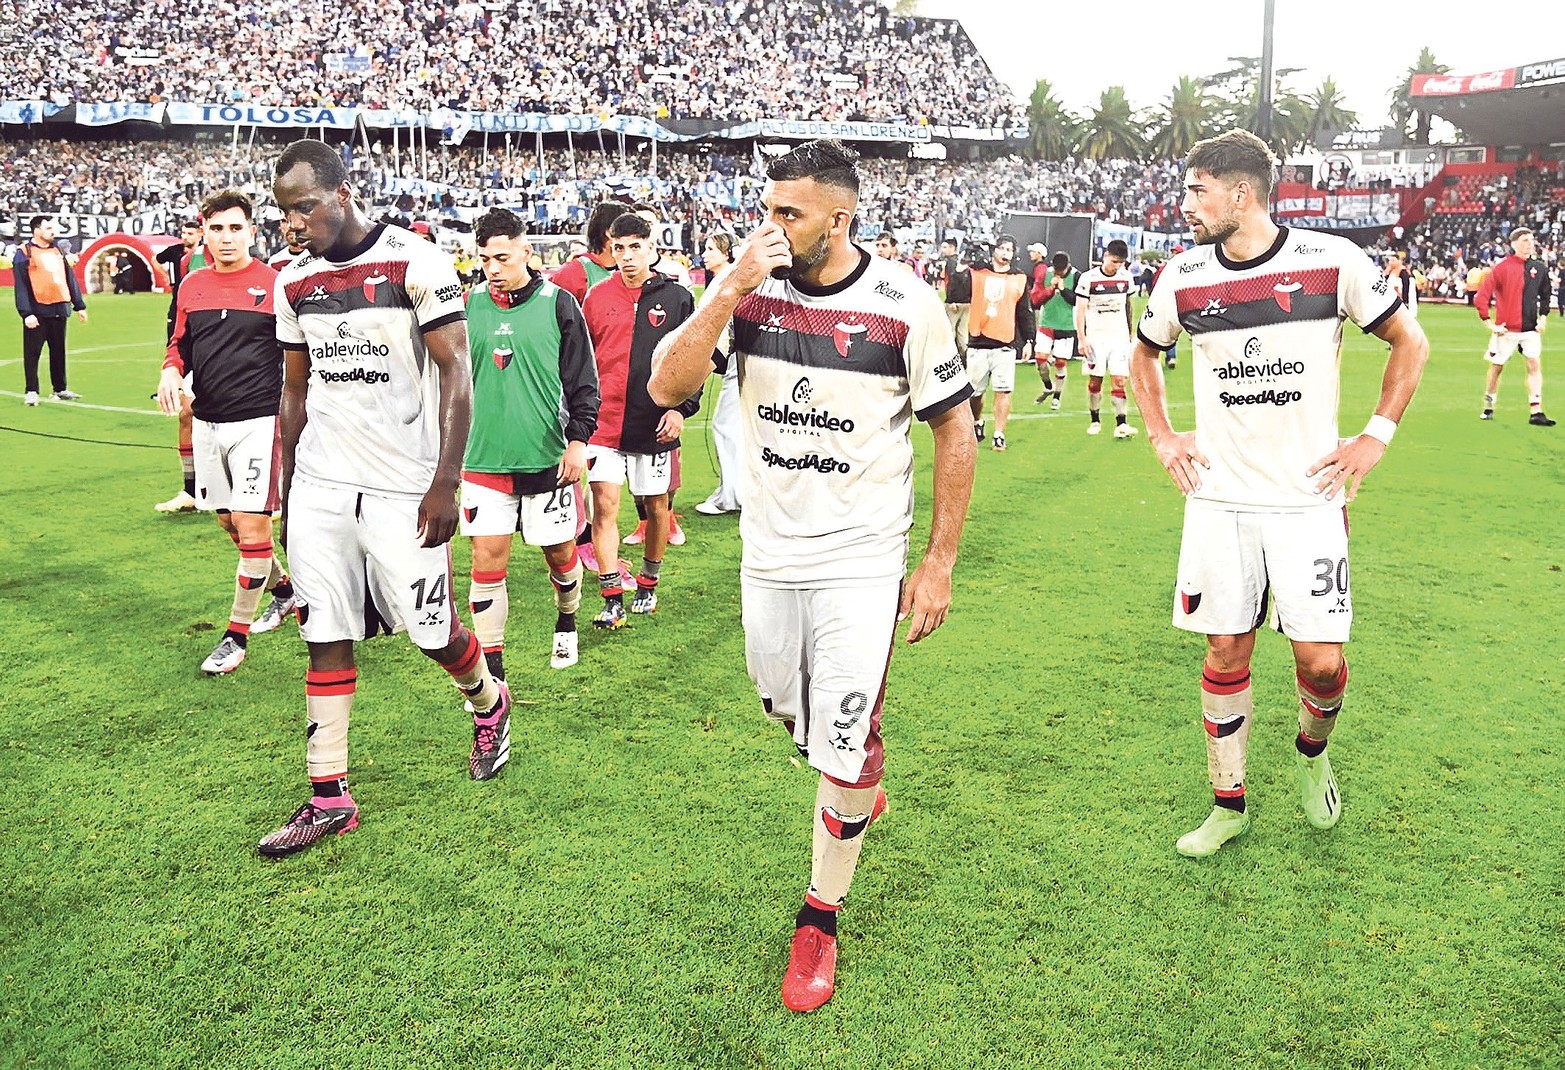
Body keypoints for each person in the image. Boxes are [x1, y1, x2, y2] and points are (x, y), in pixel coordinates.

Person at [648, 138, 976, 1013]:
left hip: (863, 558)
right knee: (788, 712)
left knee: (841, 730)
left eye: (789, 213)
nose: (773, 227)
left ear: (841, 215)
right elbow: (663, 389)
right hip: (770, 552)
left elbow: (954, 429)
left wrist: (937, 560)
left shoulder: (904, 304)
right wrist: (725, 291)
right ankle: (854, 779)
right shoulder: (747, 297)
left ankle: (817, 920)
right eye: (768, 210)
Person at [1128, 129, 1428, 858]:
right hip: (1219, 500)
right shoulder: (1183, 276)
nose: (1186, 204)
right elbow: (1141, 353)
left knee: (1319, 663)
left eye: (1197, 189)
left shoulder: (1330, 261)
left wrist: (1374, 435)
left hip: (1307, 501)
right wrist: (1164, 435)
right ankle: (1226, 804)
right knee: (1226, 650)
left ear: (1240, 192)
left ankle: (1310, 751)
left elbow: (1409, 342)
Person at [260, 138, 510, 859]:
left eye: (303, 207)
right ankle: (328, 796)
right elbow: (295, 391)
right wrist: (286, 494)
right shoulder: (293, 282)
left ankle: (489, 702)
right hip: (321, 485)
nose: (292, 223)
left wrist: (445, 479)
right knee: (323, 630)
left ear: (343, 193)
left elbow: (458, 374)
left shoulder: (415, 262)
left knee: (434, 634)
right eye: (283, 212)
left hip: (406, 486)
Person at [155, 190, 296, 674]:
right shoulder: (191, 285)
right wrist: (170, 371)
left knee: (252, 527)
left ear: (252, 232)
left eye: (236, 228)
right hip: (208, 423)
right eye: (217, 229)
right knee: (227, 523)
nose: (227, 237)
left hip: (259, 422)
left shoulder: (276, 286)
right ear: (204, 232)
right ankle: (285, 590)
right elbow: (178, 346)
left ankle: (234, 638)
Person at [460, 208, 599, 676]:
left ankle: (566, 620)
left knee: (561, 557)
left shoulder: (559, 305)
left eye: (502, 257)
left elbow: (583, 380)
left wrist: (578, 440)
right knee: (486, 559)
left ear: (527, 251)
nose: (492, 268)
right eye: (484, 259)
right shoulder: (467, 305)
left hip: (549, 458)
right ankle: (492, 673)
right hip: (483, 457)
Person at [581, 212, 702, 629]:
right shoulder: (595, 298)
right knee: (604, 506)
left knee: (655, 509)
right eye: (619, 248)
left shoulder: (677, 298)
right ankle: (612, 594)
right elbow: (581, 361)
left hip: (653, 422)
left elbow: (695, 359)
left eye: (636, 247)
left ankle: (649, 583)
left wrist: (679, 408)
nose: (627, 256)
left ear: (653, 248)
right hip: (603, 422)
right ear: (610, 249)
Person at [154, 217, 208, 512]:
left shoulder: (256, 270)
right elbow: (182, 318)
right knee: (187, 414)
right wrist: (171, 366)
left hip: (233, 356)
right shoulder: (187, 260)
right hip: (196, 350)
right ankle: (191, 490)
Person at [1475, 227, 1553, 426]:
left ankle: (1536, 410)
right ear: (1514, 243)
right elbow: (1482, 296)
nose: (1530, 243)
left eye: (1531, 240)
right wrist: (1489, 323)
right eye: (1525, 240)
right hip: (1507, 330)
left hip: (1530, 330)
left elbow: (1545, 294)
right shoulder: (1502, 268)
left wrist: (1543, 317)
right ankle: (1488, 404)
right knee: (1496, 368)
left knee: (1534, 365)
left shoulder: (1539, 268)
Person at [966, 235, 1034, 451]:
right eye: (1002, 248)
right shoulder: (978, 272)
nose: (1006, 253)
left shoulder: (1018, 277)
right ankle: (977, 421)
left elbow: (1024, 310)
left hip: (1005, 342)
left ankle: (999, 433)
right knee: (975, 393)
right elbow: (956, 287)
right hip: (978, 341)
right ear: (994, 250)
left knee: (1003, 390)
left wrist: (1029, 339)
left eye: (1010, 249)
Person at [13, 215, 87, 406]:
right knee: (32, 352)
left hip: (59, 307)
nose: (53, 232)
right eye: (48, 228)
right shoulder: (24, 252)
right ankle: (31, 390)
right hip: (37, 311)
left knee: (58, 351)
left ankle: (60, 388)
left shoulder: (58, 250)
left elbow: (68, 278)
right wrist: (26, 312)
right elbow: (21, 285)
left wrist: (79, 305)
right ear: (36, 230)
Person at [694, 232, 742, 516]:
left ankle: (731, 495)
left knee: (726, 426)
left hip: (735, 359)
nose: (705, 253)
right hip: (734, 359)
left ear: (726, 253)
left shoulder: (725, 282)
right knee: (732, 427)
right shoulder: (724, 281)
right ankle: (732, 490)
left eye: (712, 248)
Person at [1075, 238, 1139, 438]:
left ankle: (1121, 424)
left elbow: (1128, 305)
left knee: (1119, 380)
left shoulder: (1126, 278)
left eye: (1121, 262)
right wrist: (1082, 338)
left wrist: (1130, 331)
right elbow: (1080, 310)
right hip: (1095, 338)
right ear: (1105, 256)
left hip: (1118, 337)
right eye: (1114, 261)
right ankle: (1095, 420)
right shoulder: (1088, 278)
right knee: (1096, 380)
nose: (1117, 266)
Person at [1030, 251, 1077, 408]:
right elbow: (1036, 299)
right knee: (1040, 359)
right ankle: (1048, 387)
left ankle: (1057, 396)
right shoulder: (1046, 274)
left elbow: (1077, 301)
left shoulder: (1077, 276)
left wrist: (1063, 290)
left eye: (1060, 271)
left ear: (1067, 268)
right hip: (1047, 323)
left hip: (1066, 325)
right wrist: (1050, 288)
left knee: (1060, 362)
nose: (1057, 273)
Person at [935, 237, 970, 364]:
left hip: (955, 302)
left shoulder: (951, 262)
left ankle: (950, 359)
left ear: (952, 248)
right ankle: (965, 358)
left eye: (945, 247)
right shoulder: (962, 261)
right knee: (962, 332)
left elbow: (952, 283)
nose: (943, 250)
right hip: (966, 302)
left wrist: (951, 300)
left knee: (949, 331)